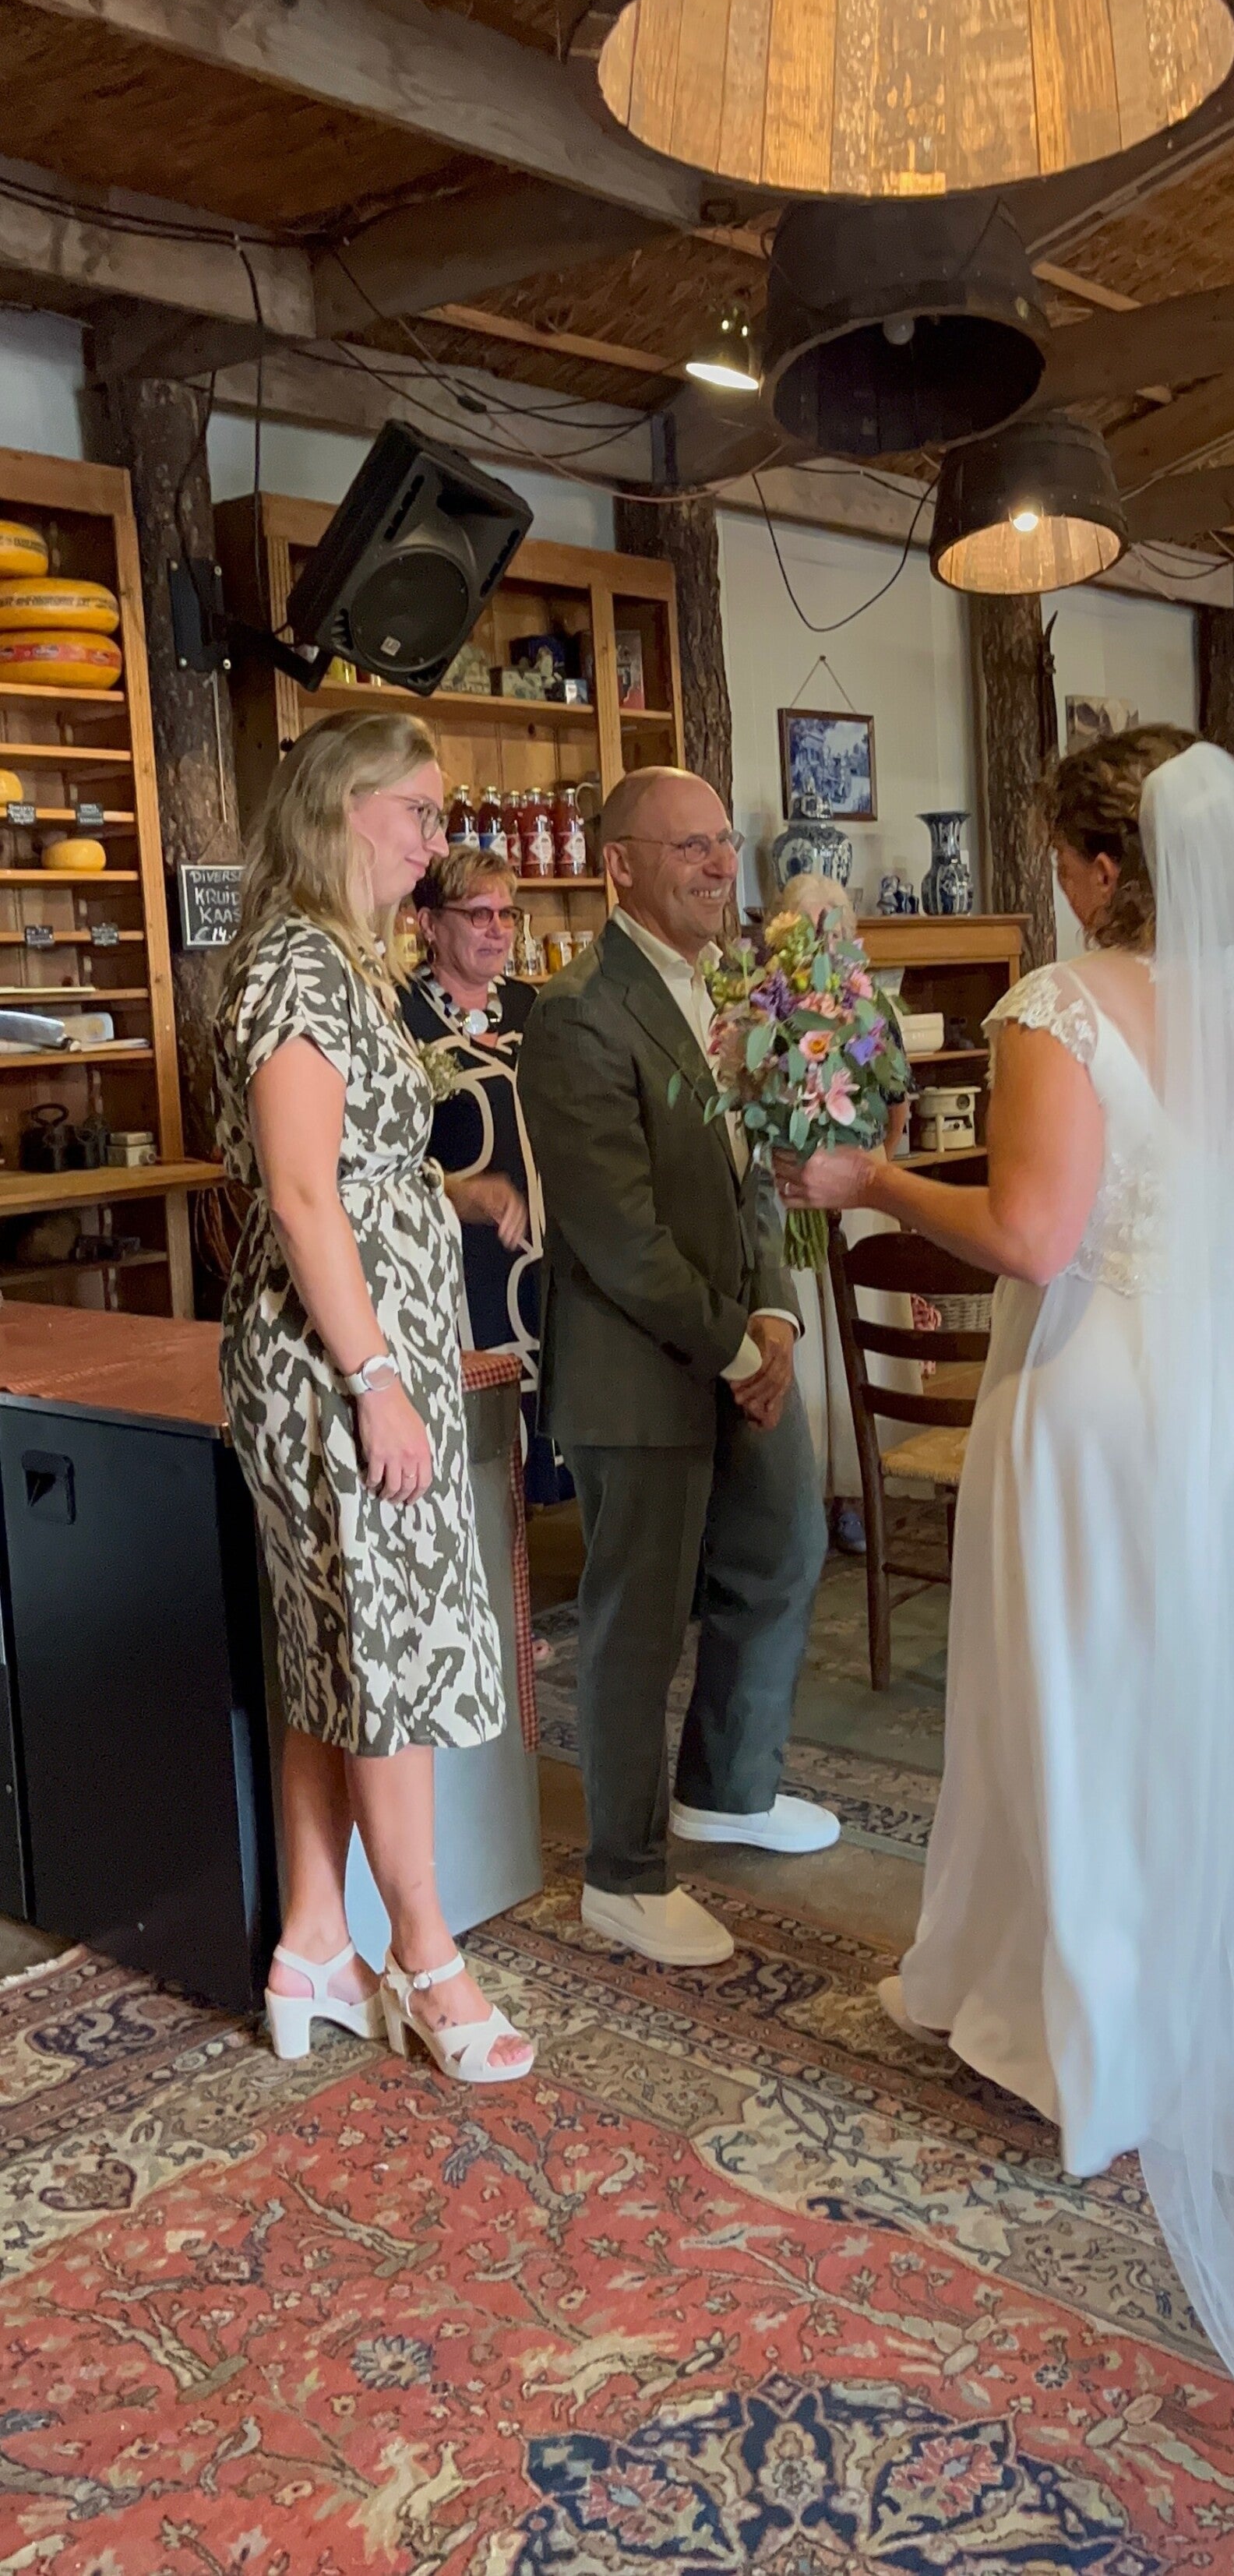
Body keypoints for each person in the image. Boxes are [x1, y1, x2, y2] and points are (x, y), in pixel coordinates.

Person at [778, 725, 1234, 2566]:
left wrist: (877, 1183)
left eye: (1059, 854)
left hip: (1106, 1404)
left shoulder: (1060, 1001)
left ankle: (1108, 2036)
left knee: (1093, 1712)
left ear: (1098, 869)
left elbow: (1037, 1234)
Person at [217, 711, 534, 2088]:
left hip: (366, 1353)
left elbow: (358, 1168)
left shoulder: (343, 957)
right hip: (335, 1366)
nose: (435, 839)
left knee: (334, 1651)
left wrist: (445, 1202)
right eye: (419, 810)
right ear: (344, 806)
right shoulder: (299, 964)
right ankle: (426, 1957)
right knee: (389, 1655)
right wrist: (378, 1381)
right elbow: (301, 1193)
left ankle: (311, 1942)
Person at [518, 765, 835, 1968]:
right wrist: (740, 1344)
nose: (717, 865)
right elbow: (619, 1235)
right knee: (637, 1624)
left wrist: (779, 1317)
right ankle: (624, 1874)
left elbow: (757, 1177)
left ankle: (729, 1788)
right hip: (636, 1370)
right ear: (619, 866)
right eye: (689, 846)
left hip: (743, 1342)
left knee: (784, 1546)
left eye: (722, 844)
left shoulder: (728, 991)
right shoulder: (580, 1011)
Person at [399, 844, 570, 1518]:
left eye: (507, 913)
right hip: (461, 1266)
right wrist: (457, 1191)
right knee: (485, 1455)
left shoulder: (535, 1006)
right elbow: (377, 1156)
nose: (498, 929)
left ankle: (541, 1564)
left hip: (547, 1254)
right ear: (428, 923)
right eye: (478, 914)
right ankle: (495, 1570)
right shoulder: (400, 1017)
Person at [773, 872, 915, 1555]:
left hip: (861, 1184)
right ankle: (804, 1491)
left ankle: (863, 1489)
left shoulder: (873, 1006)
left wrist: (872, 1171)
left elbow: (898, 1103)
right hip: (793, 1192)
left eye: (833, 929)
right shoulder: (769, 1006)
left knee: (863, 1337)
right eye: (806, 930)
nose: (822, 943)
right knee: (805, 1341)